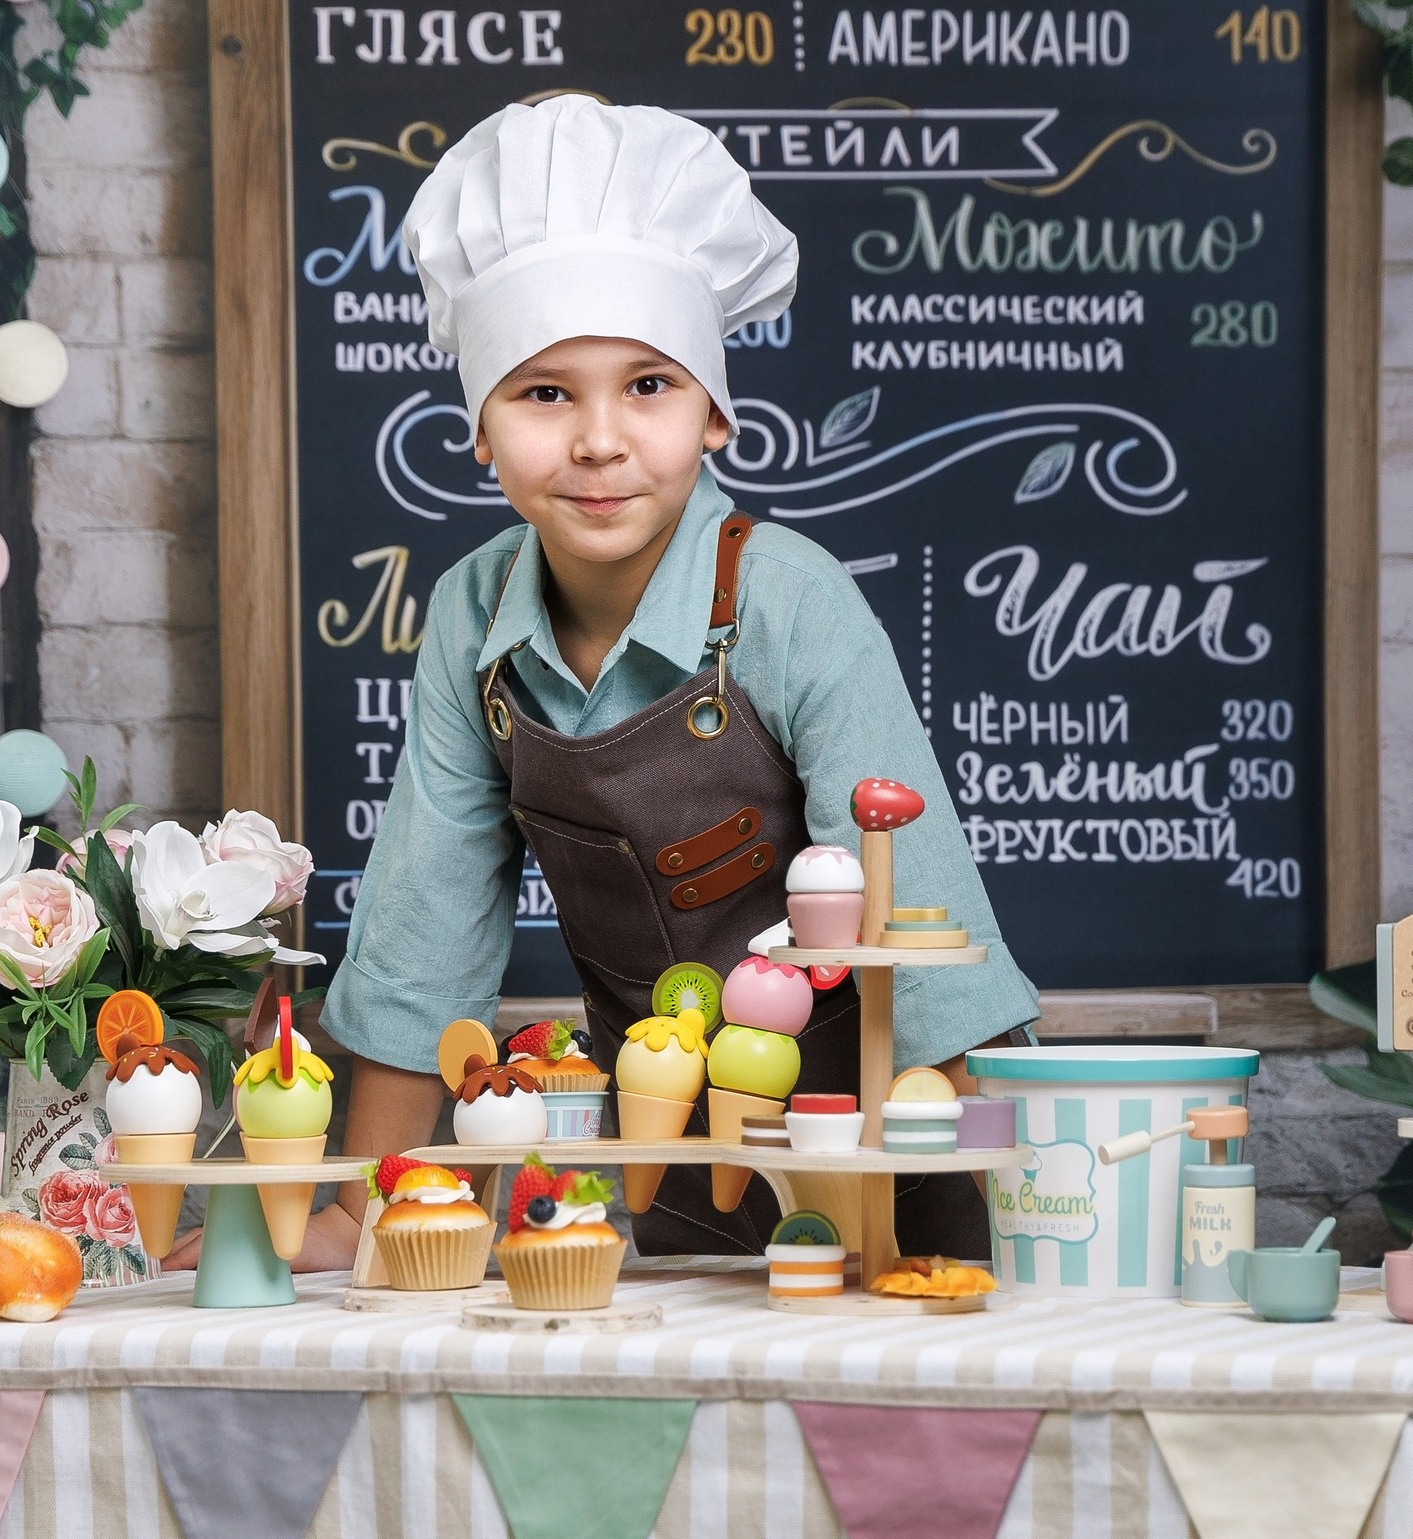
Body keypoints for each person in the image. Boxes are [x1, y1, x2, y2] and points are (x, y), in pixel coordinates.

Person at [173, 95, 1038, 1270]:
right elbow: (425, 935)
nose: (597, 440)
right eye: (543, 394)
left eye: (647, 386)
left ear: (716, 414)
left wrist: (931, 1163)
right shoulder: (473, 619)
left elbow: (915, 913)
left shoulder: (790, 601)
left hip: (878, 1136)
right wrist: (360, 1210)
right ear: (477, 425)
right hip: (666, 1143)